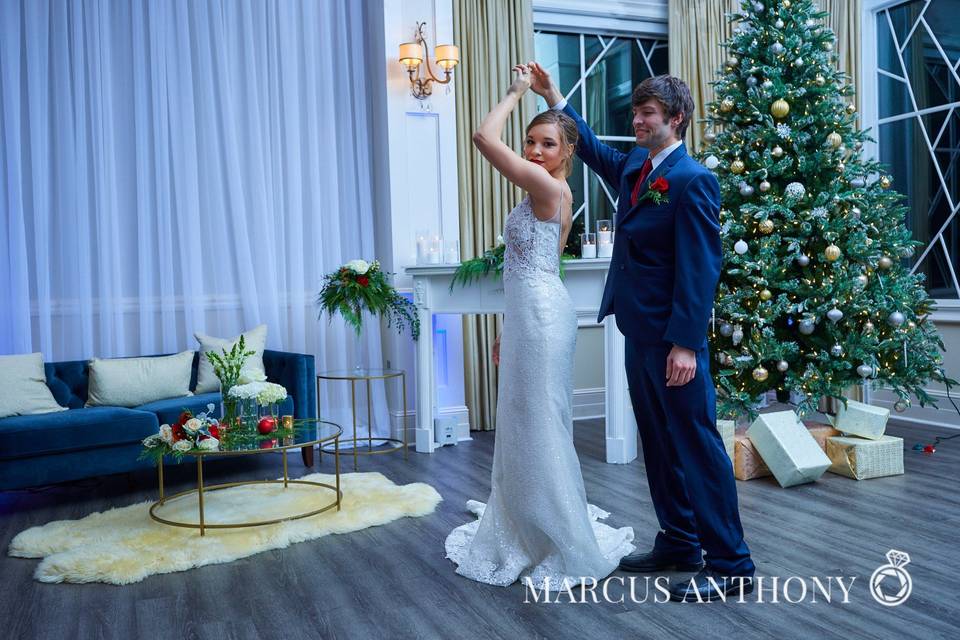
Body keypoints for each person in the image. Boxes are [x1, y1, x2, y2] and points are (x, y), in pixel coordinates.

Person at [528, 63, 756, 602]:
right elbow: (591, 149)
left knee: (698, 446)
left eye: (646, 113)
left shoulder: (694, 180)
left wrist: (686, 344)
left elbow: (701, 269)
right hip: (637, 330)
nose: (636, 120)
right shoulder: (636, 165)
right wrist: (554, 97)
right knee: (658, 443)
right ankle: (680, 542)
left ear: (674, 120)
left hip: (673, 341)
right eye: (634, 112)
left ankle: (731, 562)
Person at [444, 64, 635, 590]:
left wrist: (512, 93)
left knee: (542, 424)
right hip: (533, 315)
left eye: (546, 143)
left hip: (544, 319)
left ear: (566, 152)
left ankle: (555, 530)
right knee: (524, 422)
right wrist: (510, 327)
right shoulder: (543, 188)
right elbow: (528, 266)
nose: (533, 151)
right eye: (529, 142)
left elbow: (483, 136)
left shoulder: (546, 188)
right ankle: (528, 520)